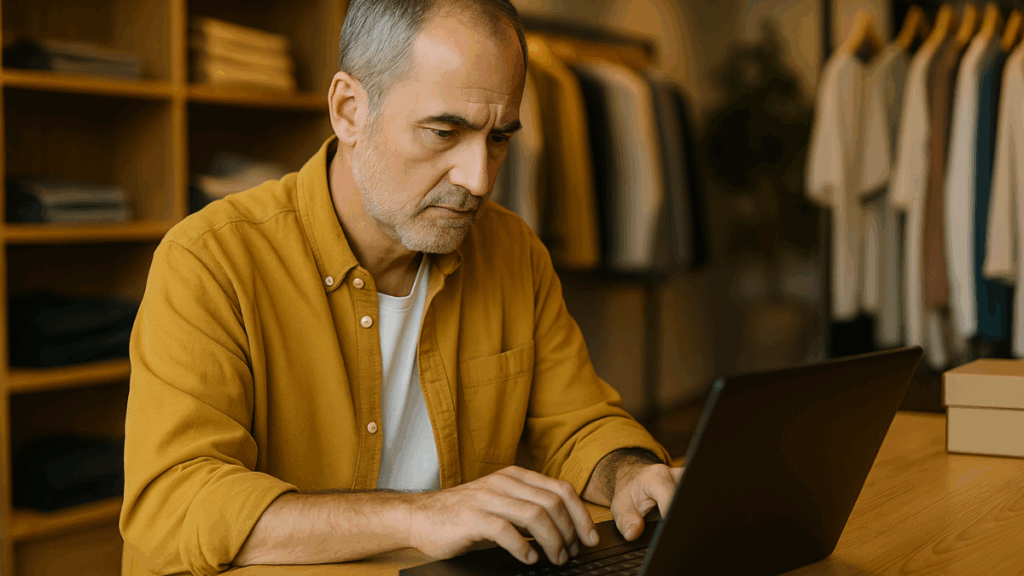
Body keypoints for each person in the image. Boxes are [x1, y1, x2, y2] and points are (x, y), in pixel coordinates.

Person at [120, 1, 681, 575]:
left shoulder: (514, 252)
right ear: (349, 110)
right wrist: (418, 516)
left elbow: (579, 425)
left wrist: (630, 473)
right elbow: (176, 505)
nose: (478, 179)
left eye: (498, 139)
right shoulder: (210, 260)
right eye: (444, 132)